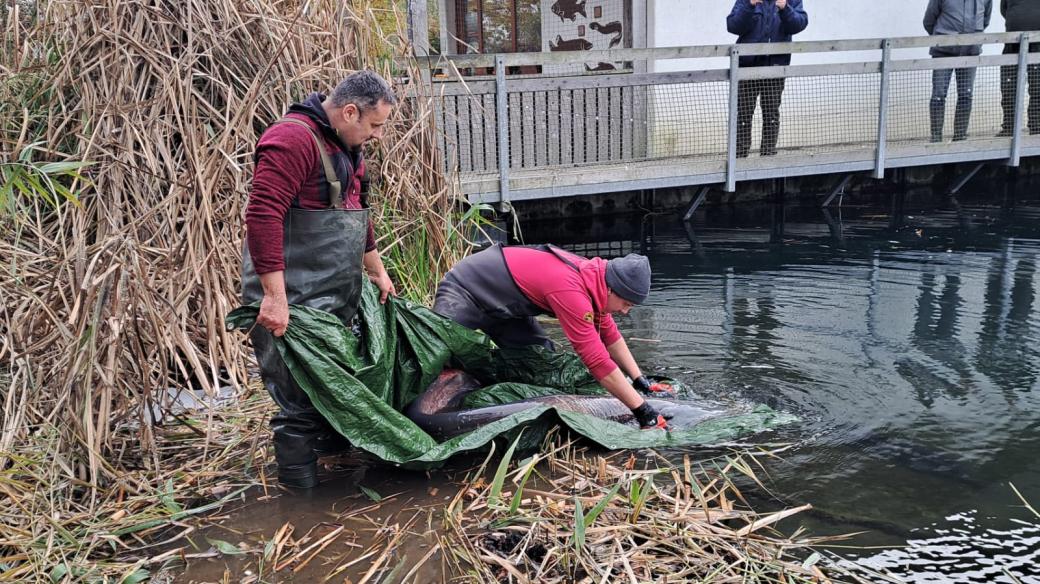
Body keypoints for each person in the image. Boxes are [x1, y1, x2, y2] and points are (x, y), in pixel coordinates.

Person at [241, 70, 398, 488]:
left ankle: (334, 474)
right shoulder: (291, 139)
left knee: (332, 383)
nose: (378, 135)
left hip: (332, 293)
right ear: (349, 112)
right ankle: (298, 500)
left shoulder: (349, 147)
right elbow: (263, 215)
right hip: (290, 295)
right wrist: (274, 297)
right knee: (296, 398)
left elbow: (356, 212)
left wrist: (377, 272)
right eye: (375, 126)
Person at [433, 244, 674, 430]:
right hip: (464, 290)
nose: (625, 311)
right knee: (435, 358)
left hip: (509, 310)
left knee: (541, 363)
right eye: (625, 303)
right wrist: (643, 411)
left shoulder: (596, 280)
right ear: (611, 288)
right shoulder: (571, 290)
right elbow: (597, 361)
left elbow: (609, 334)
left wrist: (639, 378)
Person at [726, 0, 809, 158]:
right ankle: (739, 156)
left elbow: (800, 23)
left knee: (771, 113)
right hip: (747, 67)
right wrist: (749, 6)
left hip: (775, 66)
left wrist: (785, 9)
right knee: (743, 113)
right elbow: (733, 25)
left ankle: (768, 155)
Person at [924, 0, 993, 143]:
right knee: (938, 94)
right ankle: (936, 137)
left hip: (970, 51)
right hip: (943, 51)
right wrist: (943, 39)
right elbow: (929, 21)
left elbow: (985, 20)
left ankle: (960, 136)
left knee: (966, 94)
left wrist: (973, 38)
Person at [998, 0, 1040, 136]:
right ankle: (1009, 127)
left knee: (1037, 87)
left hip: (1037, 42)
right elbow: (1004, 10)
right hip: (1013, 41)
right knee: (1009, 88)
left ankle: (1036, 126)